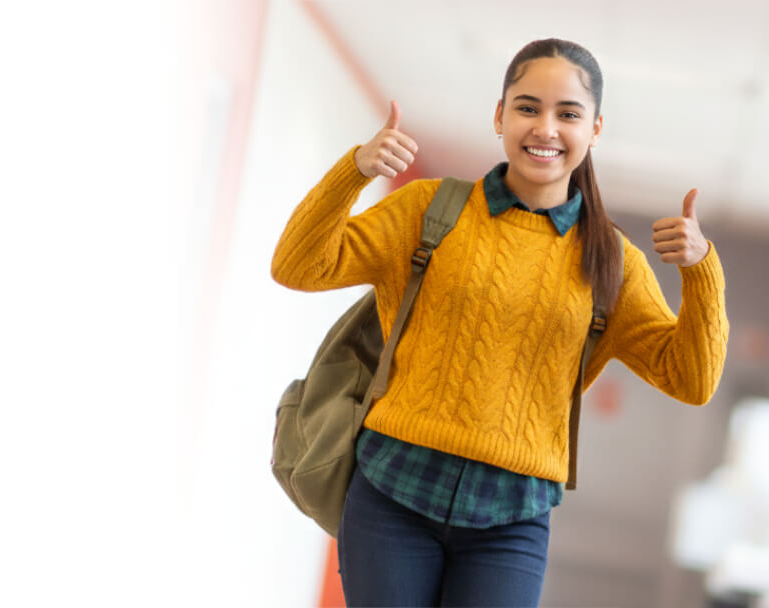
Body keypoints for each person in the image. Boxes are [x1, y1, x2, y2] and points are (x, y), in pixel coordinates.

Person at [270, 38, 729, 607]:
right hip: (393, 489)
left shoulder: (613, 262)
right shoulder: (428, 209)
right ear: (500, 114)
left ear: (595, 129)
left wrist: (701, 270)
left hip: (513, 518)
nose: (546, 129)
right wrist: (353, 172)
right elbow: (298, 265)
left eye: (568, 114)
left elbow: (692, 380)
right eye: (528, 107)